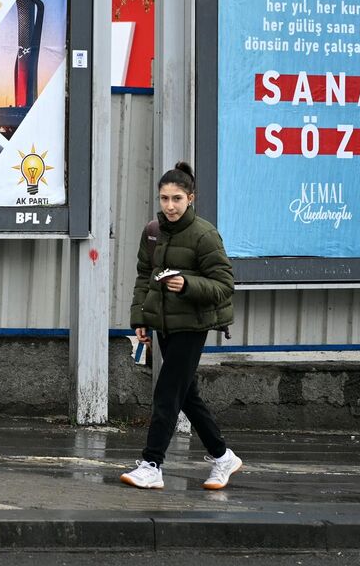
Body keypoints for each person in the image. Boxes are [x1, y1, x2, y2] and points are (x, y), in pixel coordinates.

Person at [121, 161, 241, 492]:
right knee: (186, 394)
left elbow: (224, 284)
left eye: (176, 199)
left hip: (193, 324)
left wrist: (186, 284)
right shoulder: (152, 232)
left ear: (191, 198)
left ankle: (152, 463)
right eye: (164, 199)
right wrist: (140, 319)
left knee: (167, 392)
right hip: (162, 324)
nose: (170, 206)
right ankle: (223, 456)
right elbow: (144, 277)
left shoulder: (204, 235)